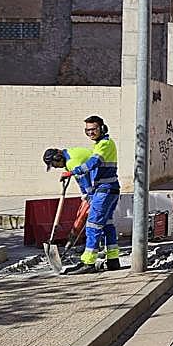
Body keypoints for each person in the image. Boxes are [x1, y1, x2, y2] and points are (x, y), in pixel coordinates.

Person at [44, 114, 122, 273]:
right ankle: (113, 260)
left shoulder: (105, 144)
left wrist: (73, 173)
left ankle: (88, 263)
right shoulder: (98, 144)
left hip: (104, 189)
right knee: (107, 225)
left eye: (93, 129)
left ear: (102, 128)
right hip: (108, 188)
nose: (90, 133)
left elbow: (93, 164)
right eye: (87, 131)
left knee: (92, 225)